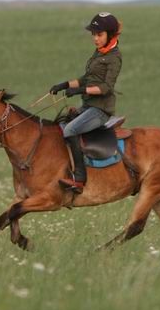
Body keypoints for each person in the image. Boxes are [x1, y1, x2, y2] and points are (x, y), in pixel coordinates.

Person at [49, 12, 123, 193]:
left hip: (100, 110)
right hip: (88, 106)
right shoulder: (99, 53)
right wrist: (65, 84)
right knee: (61, 125)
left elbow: (105, 87)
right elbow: (86, 78)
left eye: (99, 35)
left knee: (70, 130)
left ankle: (80, 179)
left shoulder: (114, 57)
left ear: (110, 35)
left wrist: (79, 91)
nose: (95, 39)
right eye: (93, 35)